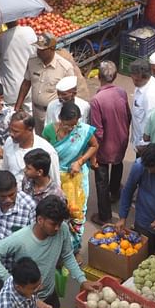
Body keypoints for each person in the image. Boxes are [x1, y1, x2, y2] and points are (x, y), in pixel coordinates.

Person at [0, 195, 100, 308]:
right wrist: (10, 280)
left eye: (60, 223)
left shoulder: (62, 229)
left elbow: (67, 255)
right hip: (25, 302)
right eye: (53, 224)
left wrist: (82, 280)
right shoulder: (20, 239)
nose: (57, 228)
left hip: (50, 295)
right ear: (40, 220)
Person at [42, 100, 98, 243]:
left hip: (77, 177)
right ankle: (56, 244)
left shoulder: (82, 130)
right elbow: (44, 153)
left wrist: (80, 161)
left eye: (75, 124)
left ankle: (75, 245)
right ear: (60, 119)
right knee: (57, 210)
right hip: (56, 177)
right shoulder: (49, 131)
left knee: (77, 213)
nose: (72, 128)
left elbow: (94, 145)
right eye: (68, 124)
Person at [88, 60, 129, 223]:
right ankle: (115, 193)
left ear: (98, 76)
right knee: (118, 165)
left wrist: (93, 152)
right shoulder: (122, 92)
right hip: (121, 139)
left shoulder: (97, 100)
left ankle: (104, 216)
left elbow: (97, 131)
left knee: (101, 179)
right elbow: (128, 115)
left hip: (105, 145)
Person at [15, 32, 81, 130]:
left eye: (42, 50)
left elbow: (71, 95)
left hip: (55, 113)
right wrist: (18, 105)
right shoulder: (32, 61)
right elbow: (26, 83)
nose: (38, 52)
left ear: (52, 49)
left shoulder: (65, 67)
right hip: (36, 111)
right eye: (37, 48)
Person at [1, 110, 61, 186]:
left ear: (30, 130)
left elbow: (55, 182)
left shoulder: (47, 151)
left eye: (16, 131)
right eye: (10, 130)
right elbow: (5, 170)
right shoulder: (9, 142)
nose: (11, 134)